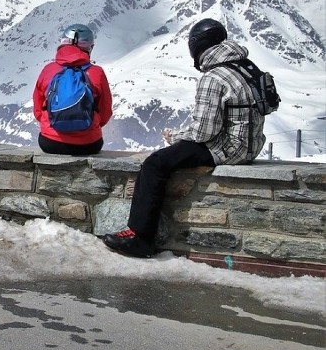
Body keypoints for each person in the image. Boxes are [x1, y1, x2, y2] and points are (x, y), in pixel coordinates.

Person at [103, 18, 267, 258]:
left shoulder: (214, 77)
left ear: (197, 46)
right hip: (252, 146)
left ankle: (140, 237)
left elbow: (203, 133)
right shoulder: (247, 69)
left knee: (155, 163)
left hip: (227, 148)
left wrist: (175, 137)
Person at [32, 24, 113, 155]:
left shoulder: (49, 70)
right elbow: (105, 112)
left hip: (51, 142)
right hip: (89, 144)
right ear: (90, 47)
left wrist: (51, 124)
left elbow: (38, 110)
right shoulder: (96, 72)